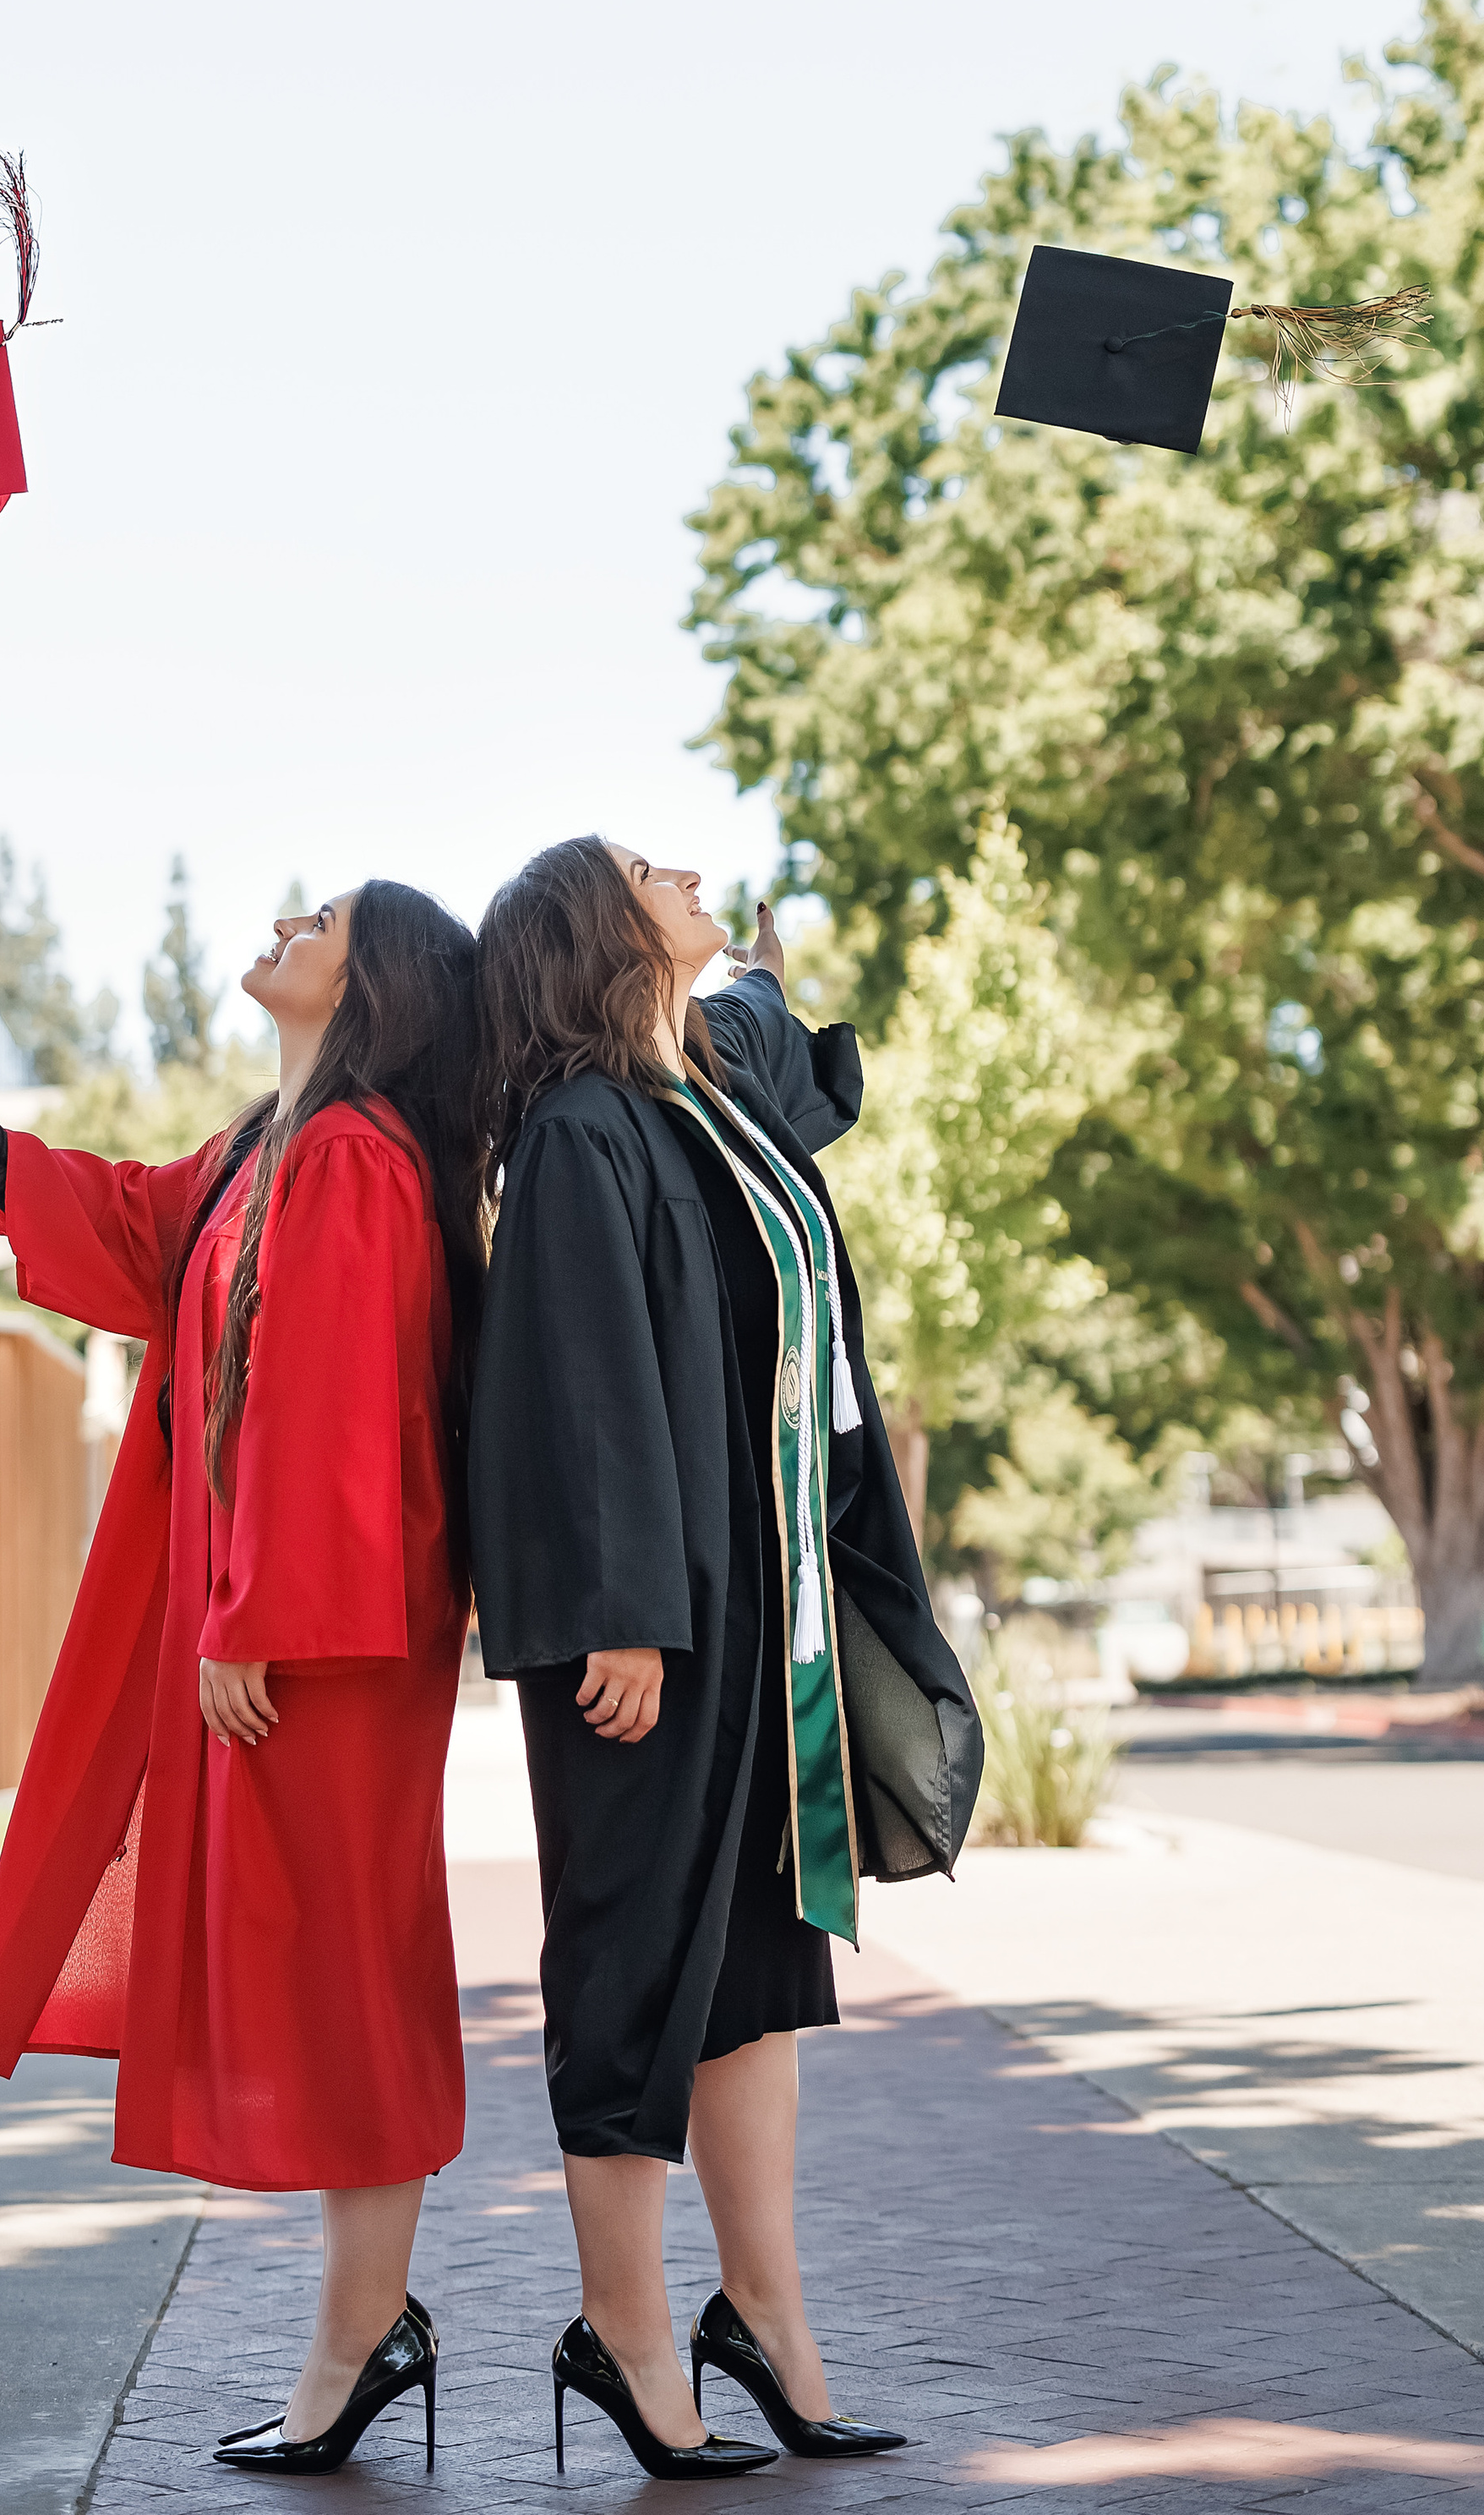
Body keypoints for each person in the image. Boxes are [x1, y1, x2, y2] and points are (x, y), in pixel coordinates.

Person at [0, 882, 484, 2478]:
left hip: (327, 1648)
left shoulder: (357, 1162)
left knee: (349, 1971)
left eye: (318, 916)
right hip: (283, 1632)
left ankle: (362, 2336)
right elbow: (130, 1224)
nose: (281, 922)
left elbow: (338, 1415)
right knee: (322, 1967)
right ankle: (365, 2323)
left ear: (373, 980)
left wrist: (252, 1618)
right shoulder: (268, 1146)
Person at [468, 839, 979, 2483]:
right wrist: (615, 1607)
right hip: (650, 1630)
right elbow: (570, 1385)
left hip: (757, 1621)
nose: (678, 863)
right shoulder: (574, 1135)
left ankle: (761, 2321)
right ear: (585, 930)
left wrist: (744, 973)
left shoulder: (697, 1099)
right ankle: (620, 2336)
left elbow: (780, 1049)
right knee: (630, 1972)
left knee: (752, 1974)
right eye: (641, 865)